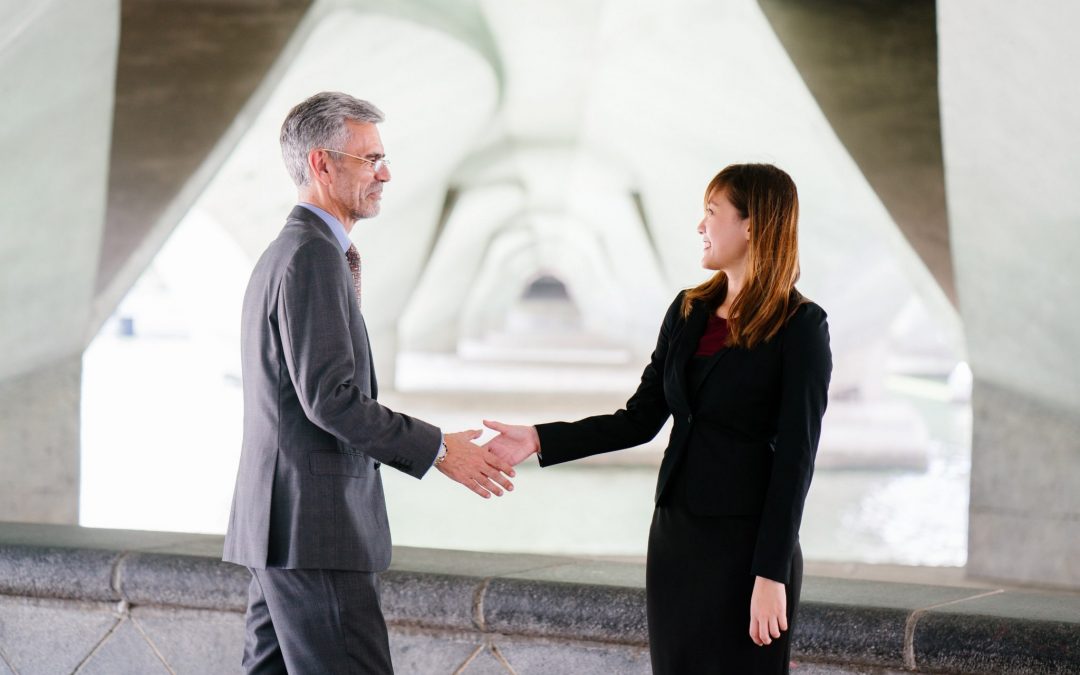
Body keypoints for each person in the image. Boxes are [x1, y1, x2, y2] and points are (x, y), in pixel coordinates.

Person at [485, 163, 831, 674]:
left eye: (712, 212)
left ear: (752, 225)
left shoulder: (801, 326)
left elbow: (797, 460)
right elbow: (639, 418)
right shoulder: (688, 310)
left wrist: (770, 574)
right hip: (676, 541)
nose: (700, 226)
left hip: (747, 550)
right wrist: (539, 438)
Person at [223, 91, 515, 674]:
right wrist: (438, 449)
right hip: (315, 529)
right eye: (370, 159)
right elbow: (329, 399)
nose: (386, 173)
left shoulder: (287, 252)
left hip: (283, 528)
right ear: (321, 164)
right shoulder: (312, 256)